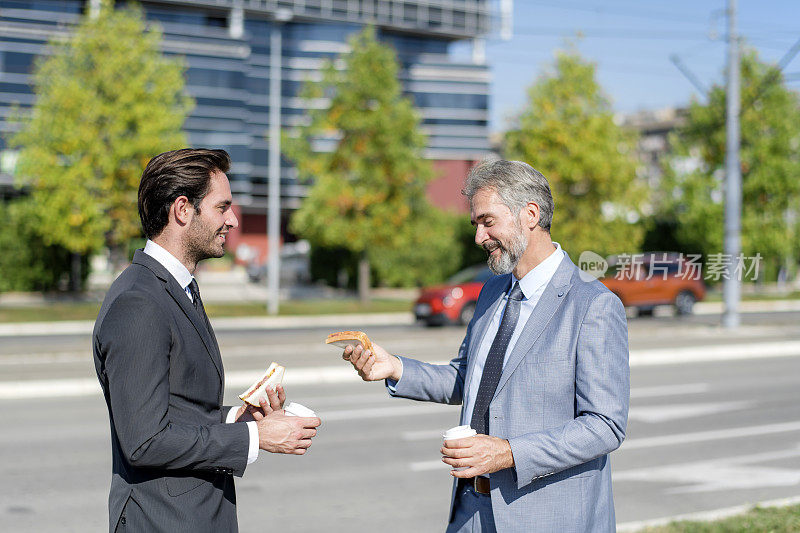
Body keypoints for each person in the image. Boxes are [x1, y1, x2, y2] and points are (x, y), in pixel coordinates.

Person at [342, 159, 629, 532]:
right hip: (469, 510)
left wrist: (508, 453)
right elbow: (469, 380)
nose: (479, 237)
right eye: (476, 224)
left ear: (530, 214)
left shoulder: (593, 305)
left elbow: (605, 426)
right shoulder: (493, 291)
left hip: (545, 518)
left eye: (487, 221)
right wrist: (395, 367)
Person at [93, 148, 321, 532]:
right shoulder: (139, 301)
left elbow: (180, 411)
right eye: (222, 207)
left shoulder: (177, 290)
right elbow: (145, 440)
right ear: (183, 209)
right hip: (162, 521)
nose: (232, 220)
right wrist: (254, 436)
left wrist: (238, 417)